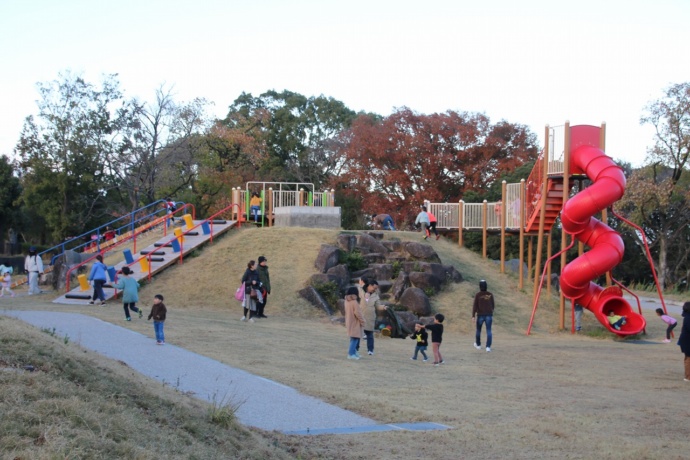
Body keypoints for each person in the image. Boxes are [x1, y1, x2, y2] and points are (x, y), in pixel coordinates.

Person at [357, 278, 388, 356]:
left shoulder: (376, 295)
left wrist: (383, 307)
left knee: (370, 335)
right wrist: (361, 284)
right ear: (370, 286)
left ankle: (370, 350)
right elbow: (360, 289)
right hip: (361, 316)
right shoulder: (362, 290)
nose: (375, 290)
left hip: (370, 317)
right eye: (374, 288)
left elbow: (377, 306)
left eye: (376, 288)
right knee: (358, 334)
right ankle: (355, 349)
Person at [472, 280, 495, 352]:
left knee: (478, 330)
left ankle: (478, 345)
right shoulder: (490, 294)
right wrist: (490, 311)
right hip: (489, 315)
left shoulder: (478, 295)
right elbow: (493, 305)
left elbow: (475, 306)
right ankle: (488, 347)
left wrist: (473, 315)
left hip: (480, 315)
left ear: (479, 286)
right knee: (489, 330)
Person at [344, 286, 365, 360]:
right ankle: (351, 354)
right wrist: (363, 321)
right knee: (355, 338)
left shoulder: (346, 300)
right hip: (355, 322)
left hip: (349, 321)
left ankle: (354, 352)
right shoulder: (354, 302)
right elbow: (358, 313)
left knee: (353, 338)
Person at [677, 302, 690, 382]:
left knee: (687, 357)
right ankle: (688, 377)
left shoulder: (686, 316)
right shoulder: (688, 317)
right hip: (687, 340)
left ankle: (687, 376)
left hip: (685, 340)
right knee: (688, 358)